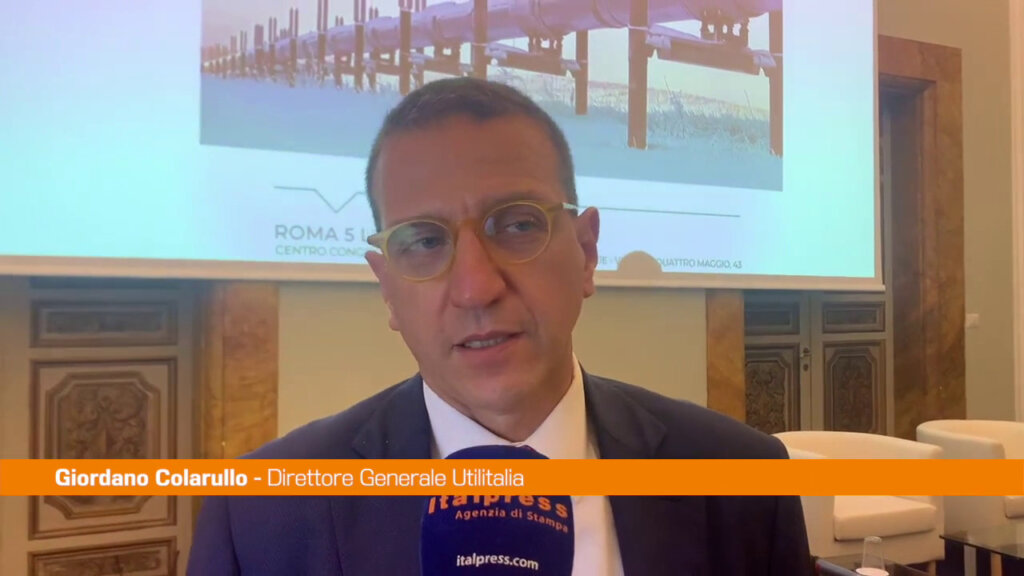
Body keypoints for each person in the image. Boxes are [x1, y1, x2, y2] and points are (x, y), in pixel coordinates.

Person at [187, 77, 812, 576]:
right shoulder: (261, 514)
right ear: (387, 288)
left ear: (586, 251)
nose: (476, 288)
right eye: (424, 241)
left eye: (516, 225)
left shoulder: (743, 477)